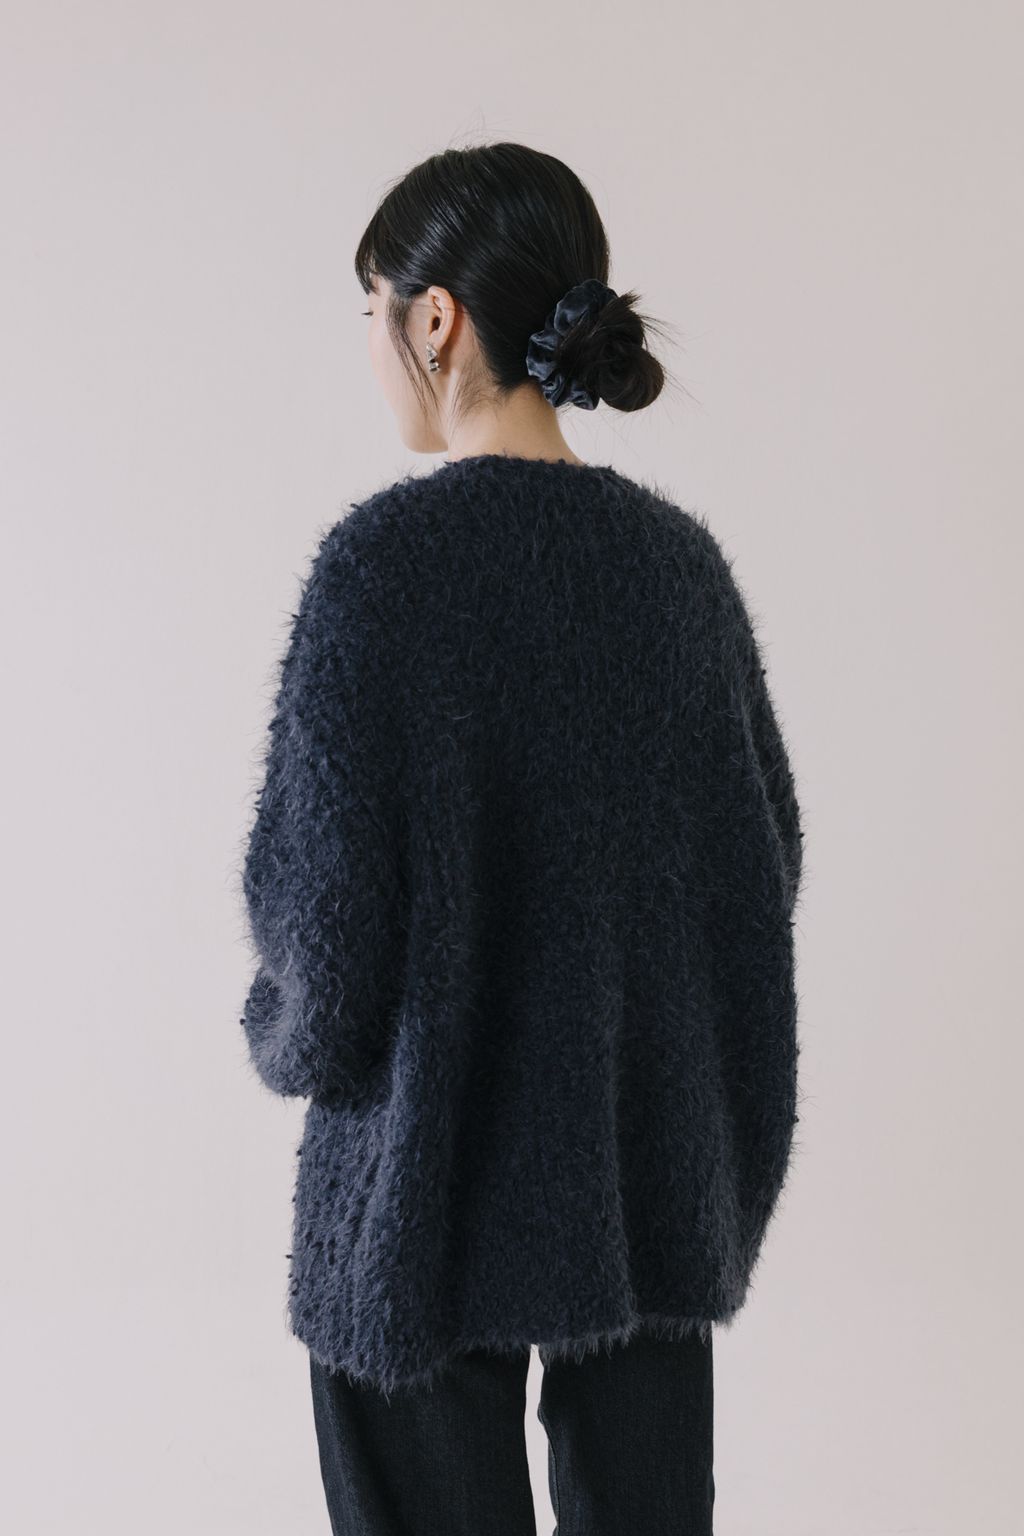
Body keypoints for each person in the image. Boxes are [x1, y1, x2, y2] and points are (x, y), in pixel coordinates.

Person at [238, 140, 805, 1536]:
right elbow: (763, 870)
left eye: (373, 309)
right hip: (642, 1170)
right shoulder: (681, 577)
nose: (373, 347)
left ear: (434, 319)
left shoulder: (379, 576)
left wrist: (283, 1033)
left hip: (417, 1184)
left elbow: (326, 935)